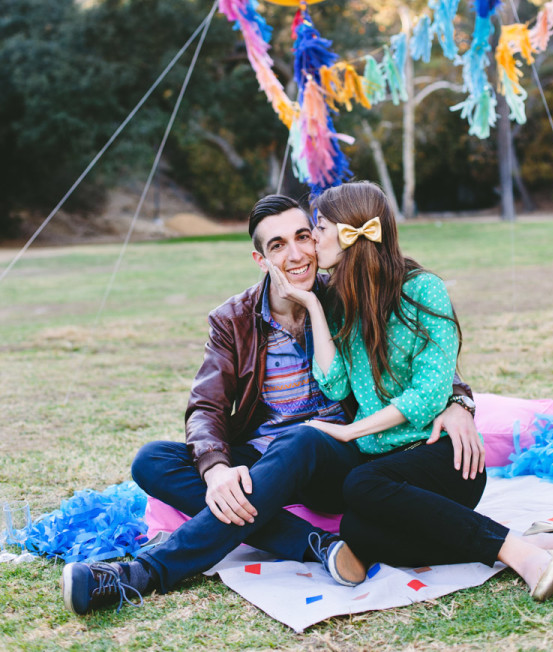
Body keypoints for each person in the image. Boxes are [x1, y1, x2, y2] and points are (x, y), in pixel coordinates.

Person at [61, 193, 483, 616]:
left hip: (334, 455)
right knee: (152, 460)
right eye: (278, 245)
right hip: (263, 457)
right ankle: (314, 544)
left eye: (304, 236)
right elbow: (205, 407)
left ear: (320, 240)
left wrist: (459, 402)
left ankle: (142, 574)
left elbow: (419, 357)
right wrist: (218, 469)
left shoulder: (347, 293)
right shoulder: (233, 320)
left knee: (302, 439)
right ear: (260, 259)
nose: (297, 254)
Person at [267, 181, 553, 600]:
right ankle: (544, 542)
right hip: (387, 468)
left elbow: (427, 394)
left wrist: (353, 431)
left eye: (319, 227)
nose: (313, 238)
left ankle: (524, 556)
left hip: (444, 454)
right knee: (356, 530)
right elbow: (333, 385)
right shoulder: (336, 301)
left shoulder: (422, 289)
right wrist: (313, 306)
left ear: (350, 232)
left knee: (359, 486)